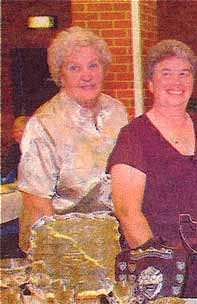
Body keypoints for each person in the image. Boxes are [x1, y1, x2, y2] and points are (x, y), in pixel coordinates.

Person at [108, 40, 197, 298]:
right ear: (150, 84)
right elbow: (128, 213)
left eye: (184, 73)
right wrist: (157, 273)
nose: (176, 82)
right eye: (166, 73)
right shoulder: (134, 136)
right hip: (161, 268)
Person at [17, 27, 128, 252]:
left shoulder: (118, 112)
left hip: (115, 240)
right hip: (62, 247)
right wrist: (71, 256)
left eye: (93, 65)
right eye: (74, 68)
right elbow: (38, 206)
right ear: (61, 75)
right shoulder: (44, 124)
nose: (86, 76)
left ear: (104, 69)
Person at [1, 115, 29, 181]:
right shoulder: (15, 148)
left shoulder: (39, 148)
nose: (17, 134)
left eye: (21, 131)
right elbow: (6, 170)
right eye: (15, 131)